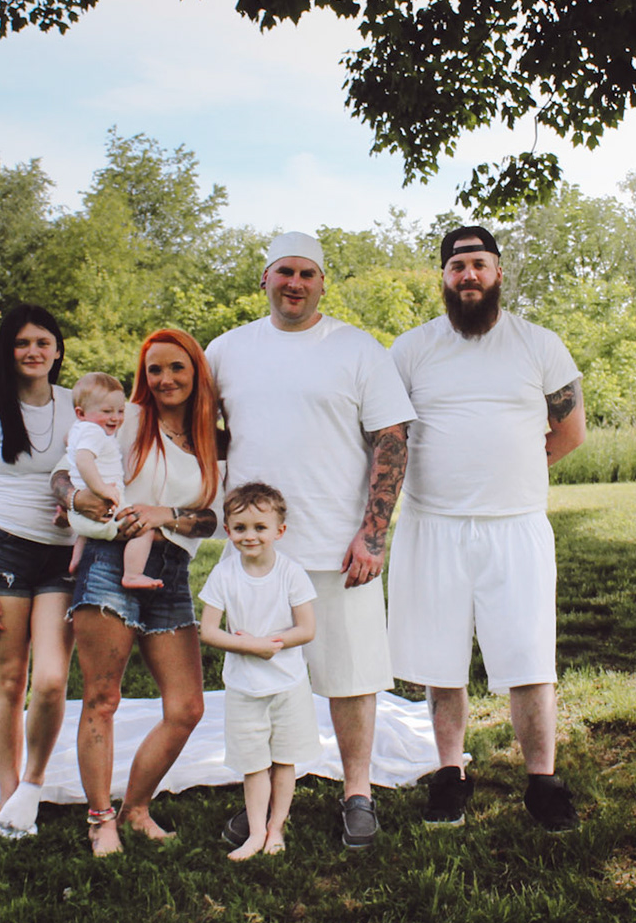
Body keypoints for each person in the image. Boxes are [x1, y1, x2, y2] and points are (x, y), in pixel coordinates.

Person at [205, 230, 415, 850]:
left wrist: (373, 534)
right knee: (259, 678)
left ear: (323, 283)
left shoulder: (358, 349)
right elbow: (198, 431)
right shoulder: (226, 350)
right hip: (255, 549)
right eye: (284, 271)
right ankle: (265, 797)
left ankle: (357, 794)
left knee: (351, 677)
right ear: (265, 279)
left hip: (336, 545)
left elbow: (391, 439)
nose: (295, 283)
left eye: (307, 273)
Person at [387, 225, 589, 831]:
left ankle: (542, 781)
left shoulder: (539, 344)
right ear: (443, 278)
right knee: (440, 660)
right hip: (432, 526)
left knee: (529, 657)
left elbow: (571, 431)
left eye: (479, 264)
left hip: (516, 528)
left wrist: (514, 472)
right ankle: (450, 775)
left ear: (499, 272)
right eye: (457, 267)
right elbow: (389, 436)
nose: (468, 275)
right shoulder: (411, 349)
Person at [53, 328, 224, 856]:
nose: (165, 379)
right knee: (103, 697)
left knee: (186, 707)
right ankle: (100, 819)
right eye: (154, 369)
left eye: (176, 367)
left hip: (170, 570)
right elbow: (62, 473)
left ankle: (136, 808)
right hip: (111, 560)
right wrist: (76, 498)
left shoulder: (212, 439)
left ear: (196, 372)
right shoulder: (125, 418)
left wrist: (164, 513)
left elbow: (211, 520)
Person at [0, 304, 77, 839]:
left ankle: (33, 783)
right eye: (22, 343)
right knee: (9, 679)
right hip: (1, 551)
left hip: (64, 556)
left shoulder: (77, 406)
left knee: (50, 681)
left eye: (43, 342)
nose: (33, 352)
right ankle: (9, 796)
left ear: (57, 349)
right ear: (8, 350)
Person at [198, 482, 320, 861]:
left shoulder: (291, 573)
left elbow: (307, 629)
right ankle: (255, 832)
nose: (249, 536)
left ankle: (276, 828)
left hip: (287, 685)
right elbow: (208, 631)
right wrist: (250, 647)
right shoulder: (224, 575)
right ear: (227, 530)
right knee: (253, 764)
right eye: (240, 528)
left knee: (284, 760)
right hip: (244, 687)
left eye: (260, 528)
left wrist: (271, 643)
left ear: (279, 531)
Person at [60, 371, 161, 589]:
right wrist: (102, 489)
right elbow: (84, 460)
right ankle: (132, 574)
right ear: (81, 413)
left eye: (120, 411)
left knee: (86, 534)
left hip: (78, 516)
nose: (115, 417)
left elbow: (69, 445)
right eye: (106, 411)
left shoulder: (79, 429)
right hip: (104, 506)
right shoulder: (94, 432)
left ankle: (75, 562)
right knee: (144, 529)